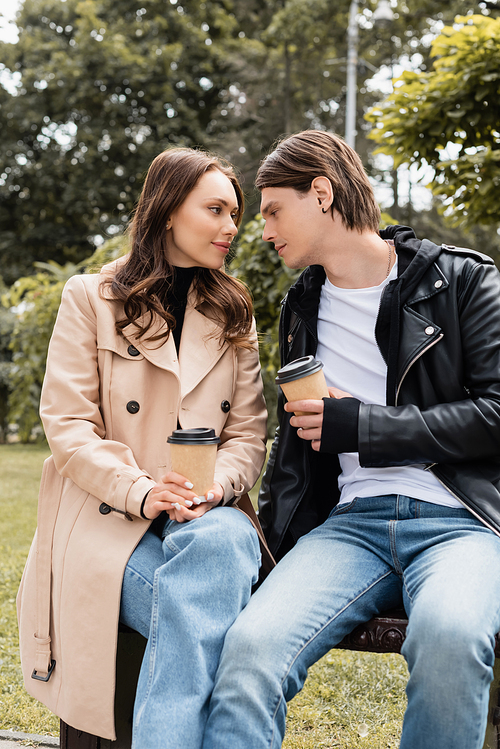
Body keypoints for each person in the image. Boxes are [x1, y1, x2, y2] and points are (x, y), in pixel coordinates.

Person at [200, 130, 500, 749]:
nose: (263, 230)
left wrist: (362, 427)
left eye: (274, 210)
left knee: (451, 637)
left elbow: (495, 414)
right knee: (251, 650)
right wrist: (272, 538)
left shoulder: (464, 281)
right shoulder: (302, 304)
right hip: (351, 527)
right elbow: (293, 444)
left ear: (322, 192)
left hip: (462, 523)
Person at [17, 147, 268, 748]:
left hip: (210, 516)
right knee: (210, 621)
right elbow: (69, 424)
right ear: (167, 210)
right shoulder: (91, 297)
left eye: (236, 213)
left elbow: (249, 434)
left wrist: (212, 488)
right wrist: (144, 490)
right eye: (216, 210)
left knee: (223, 549)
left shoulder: (234, 311)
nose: (232, 227)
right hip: (107, 518)